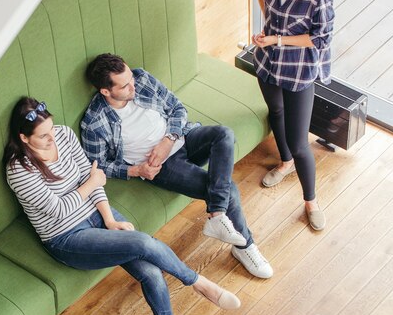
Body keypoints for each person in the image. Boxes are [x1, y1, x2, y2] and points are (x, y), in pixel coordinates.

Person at [4, 97, 241, 315]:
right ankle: (199, 284)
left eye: (51, 130)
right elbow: (59, 210)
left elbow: (91, 175)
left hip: (97, 214)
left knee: (150, 271)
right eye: (43, 136)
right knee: (143, 243)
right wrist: (91, 183)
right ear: (24, 138)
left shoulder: (63, 134)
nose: (51, 137)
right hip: (67, 237)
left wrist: (109, 219)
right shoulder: (18, 169)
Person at [81, 54, 273, 279]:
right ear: (106, 91)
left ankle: (217, 215)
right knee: (228, 190)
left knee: (224, 134)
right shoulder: (94, 122)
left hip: (183, 137)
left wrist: (168, 139)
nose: (133, 86)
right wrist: (137, 171)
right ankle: (245, 247)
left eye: (131, 78)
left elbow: (177, 108)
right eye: (124, 86)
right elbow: (97, 165)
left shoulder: (141, 78)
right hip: (161, 166)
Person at [251, 0, 335, 231]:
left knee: (301, 144)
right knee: (275, 112)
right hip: (267, 64)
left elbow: (321, 39)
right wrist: (267, 27)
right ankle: (284, 163)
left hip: (298, 71)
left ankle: (311, 201)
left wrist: (278, 38)